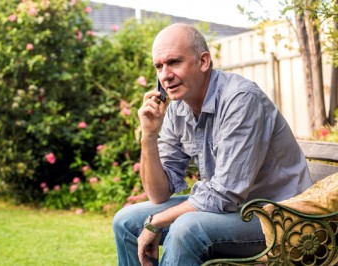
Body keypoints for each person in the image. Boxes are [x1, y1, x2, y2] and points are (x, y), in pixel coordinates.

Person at [112, 23, 313, 266]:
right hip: (232, 211)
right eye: (159, 66)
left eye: (174, 62)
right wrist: (148, 136)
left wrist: (156, 222)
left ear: (204, 62)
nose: (164, 75)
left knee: (186, 228)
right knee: (126, 221)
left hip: (278, 217)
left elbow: (224, 194)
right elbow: (158, 194)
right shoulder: (177, 108)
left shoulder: (240, 99)